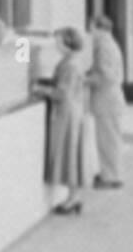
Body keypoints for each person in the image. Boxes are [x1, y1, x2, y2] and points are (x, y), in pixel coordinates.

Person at [35, 27, 90, 213]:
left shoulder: (70, 64)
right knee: (72, 154)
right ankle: (73, 197)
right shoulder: (72, 61)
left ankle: (73, 199)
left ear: (68, 43)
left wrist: (40, 90)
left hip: (67, 114)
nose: (56, 45)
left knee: (69, 155)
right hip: (73, 111)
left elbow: (62, 92)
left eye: (58, 42)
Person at [86, 15, 126, 188]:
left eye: (91, 28)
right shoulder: (109, 44)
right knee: (110, 139)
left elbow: (105, 76)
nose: (89, 32)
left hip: (106, 99)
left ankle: (110, 177)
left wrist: (83, 79)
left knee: (107, 140)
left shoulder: (104, 47)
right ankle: (110, 173)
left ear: (98, 28)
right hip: (110, 98)